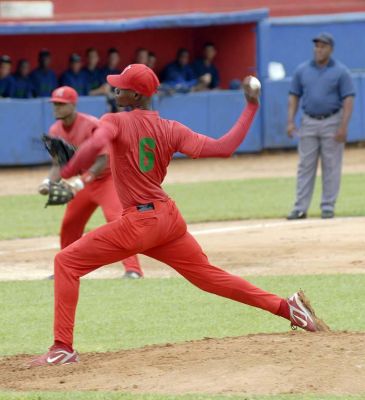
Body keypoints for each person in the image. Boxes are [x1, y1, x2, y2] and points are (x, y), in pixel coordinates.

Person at [30, 64, 328, 367]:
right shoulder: (171, 129)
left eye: (121, 87)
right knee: (210, 277)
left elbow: (95, 143)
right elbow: (224, 147)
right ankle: (287, 309)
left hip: (139, 222)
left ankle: (62, 347)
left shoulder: (114, 120)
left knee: (65, 262)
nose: (115, 89)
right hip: (167, 219)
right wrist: (251, 106)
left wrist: (67, 172)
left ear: (135, 94)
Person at [37, 86, 143, 281]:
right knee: (70, 225)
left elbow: (103, 158)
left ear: (73, 105)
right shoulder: (55, 130)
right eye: (55, 104)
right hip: (83, 183)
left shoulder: (91, 124)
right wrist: (47, 183)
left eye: (61, 104)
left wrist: (82, 180)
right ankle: (66, 269)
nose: (56, 108)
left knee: (117, 220)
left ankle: (133, 270)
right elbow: (59, 164)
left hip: (108, 178)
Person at [287, 33, 355, 220]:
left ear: (330, 49)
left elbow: (348, 99)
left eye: (323, 46)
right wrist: (290, 121)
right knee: (305, 166)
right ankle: (300, 208)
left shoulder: (341, 71)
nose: (318, 49)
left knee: (331, 165)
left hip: (332, 121)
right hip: (308, 120)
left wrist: (344, 126)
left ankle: (328, 206)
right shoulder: (302, 70)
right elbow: (294, 95)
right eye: (316, 46)